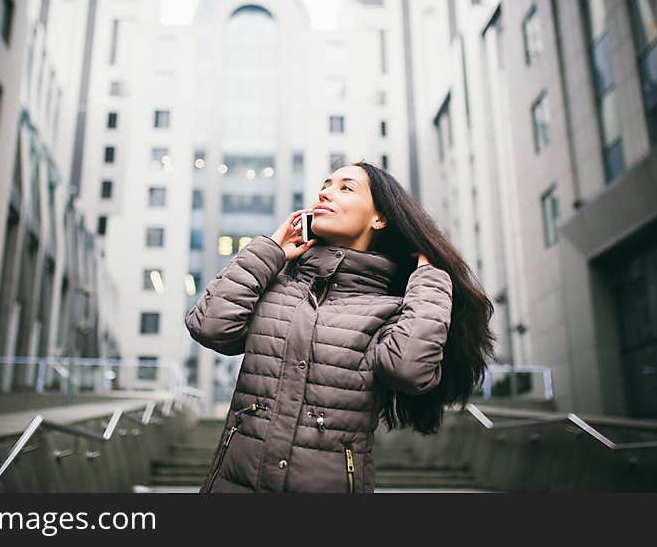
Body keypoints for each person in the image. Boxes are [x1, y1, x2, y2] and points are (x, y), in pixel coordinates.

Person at [185, 161, 496, 493]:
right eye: (325, 185)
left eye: (345, 188)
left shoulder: (390, 311)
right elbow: (210, 326)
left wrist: (431, 283)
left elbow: (408, 370)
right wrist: (270, 251)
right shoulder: (276, 287)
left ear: (379, 218)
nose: (325, 192)